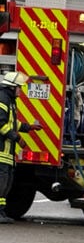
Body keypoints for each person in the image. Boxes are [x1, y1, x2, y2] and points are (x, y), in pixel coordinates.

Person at [0, 71, 40, 223]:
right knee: (2, 183)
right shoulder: (2, 100)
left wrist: (28, 127)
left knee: (6, 184)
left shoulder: (9, 101)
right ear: (12, 87)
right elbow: (1, 124)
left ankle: (1, 213)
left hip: (6, 153)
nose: (21, 91)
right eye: (19, 88)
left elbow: (12, 123)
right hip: (1, 151)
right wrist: (18, 139)